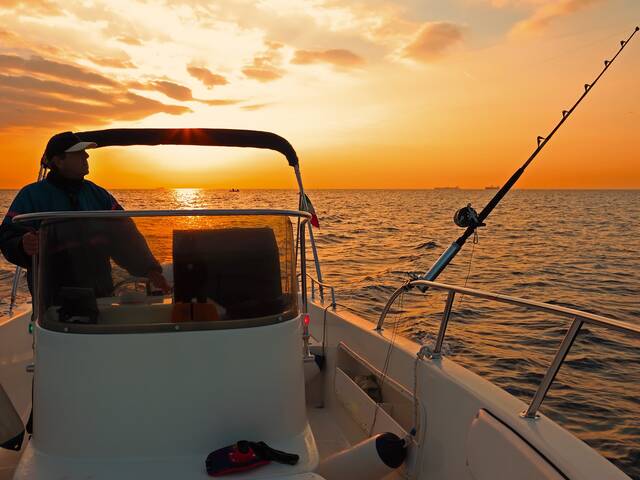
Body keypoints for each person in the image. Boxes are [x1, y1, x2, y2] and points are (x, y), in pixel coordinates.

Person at [0, 131, 170, 300]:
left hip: (100, 296)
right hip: (52, 303)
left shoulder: (99, 196)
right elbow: (8, 235)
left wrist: (150, 271)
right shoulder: (31, 196)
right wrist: (22, 244)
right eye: (78, 153)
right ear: (59, 161)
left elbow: (126, 236)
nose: (86, 156)